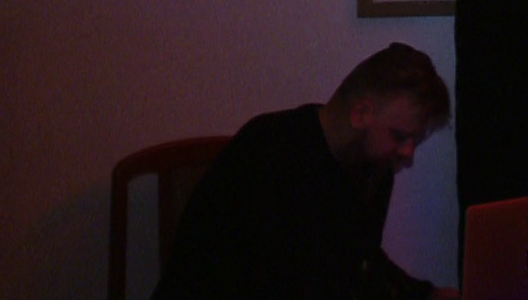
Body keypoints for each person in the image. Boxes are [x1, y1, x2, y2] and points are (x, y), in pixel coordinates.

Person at [152, 43, 457, 300]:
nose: (408, 153)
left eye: (414, 140)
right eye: (400, 136)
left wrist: (425, 294)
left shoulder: (372, 166)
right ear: (361, 113)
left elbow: (359, 260)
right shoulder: (269, 149)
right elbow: (279, 279)